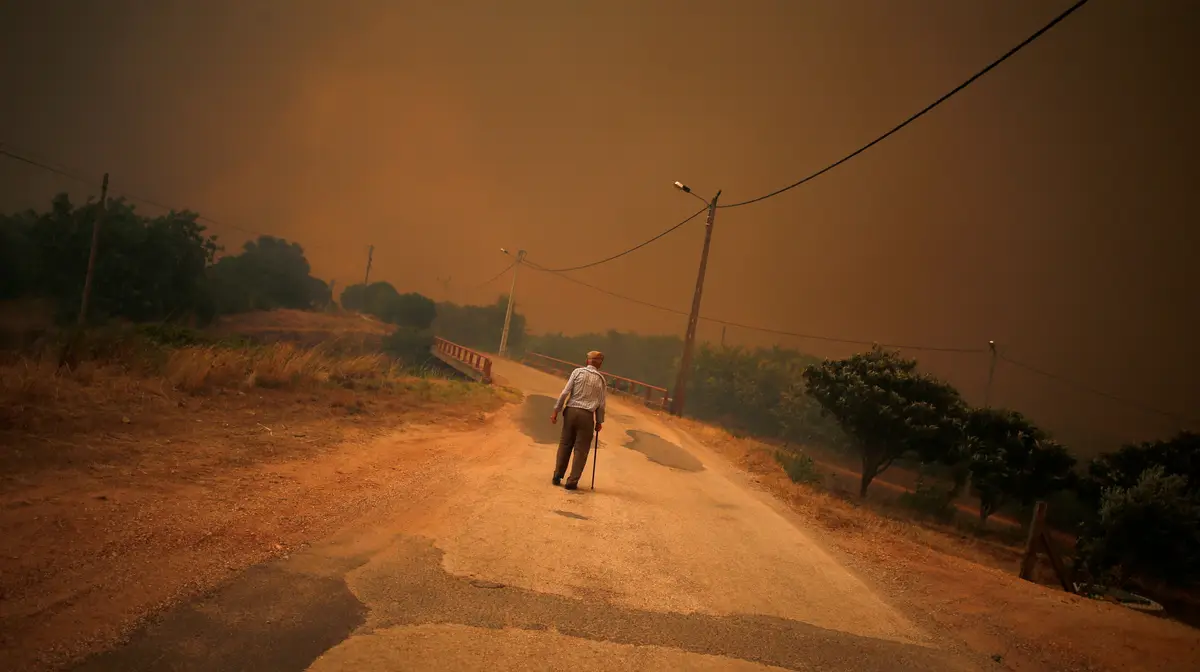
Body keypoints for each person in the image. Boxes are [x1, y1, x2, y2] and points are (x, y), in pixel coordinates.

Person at [550, 350, 607, 490]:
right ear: (599, 364)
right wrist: (599, 421)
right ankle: (572, 481)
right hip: (587, 416)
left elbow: (565, 392)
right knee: (581, 449)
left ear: (587, 361)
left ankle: (558, 475)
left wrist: (556, 410)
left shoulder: (577, 372)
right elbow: (601, 404)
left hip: (570, 412)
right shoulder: (601, 380)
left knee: (565, 444)